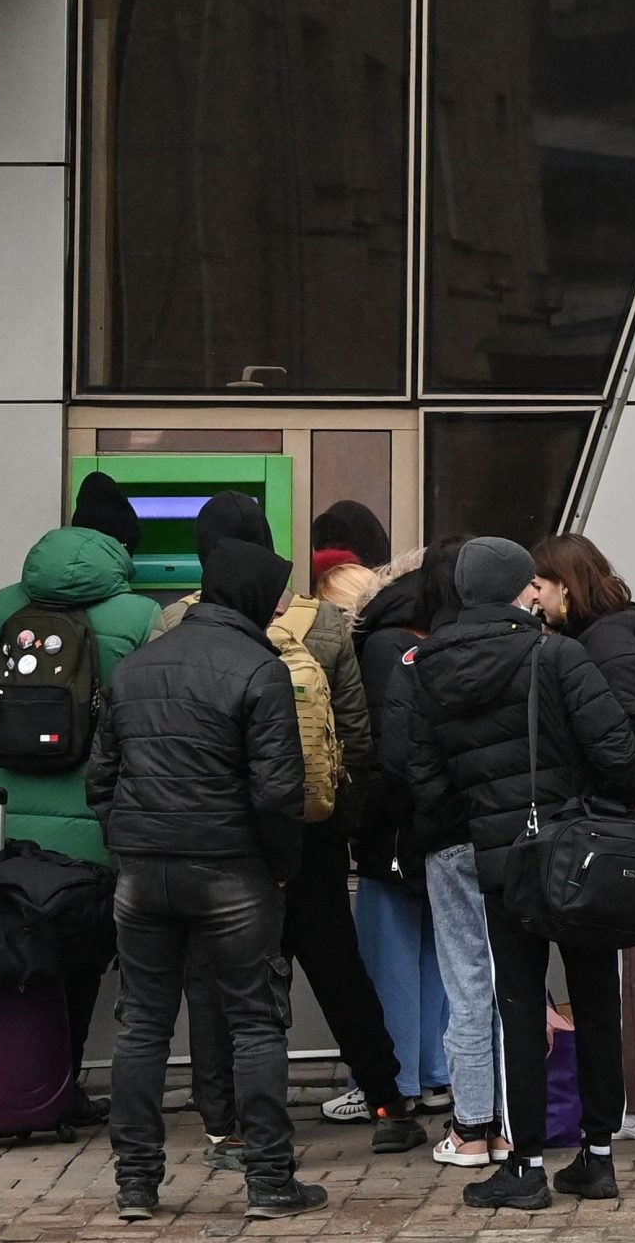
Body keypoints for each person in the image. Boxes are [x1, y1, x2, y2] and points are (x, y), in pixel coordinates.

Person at [167, 497, 423, 1161]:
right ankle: (388, 1102)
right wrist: (336, 820)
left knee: (226, 979)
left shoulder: (170, 624)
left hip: (216, 838)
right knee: (339, 970)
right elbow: (357, 736)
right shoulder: (321, 624)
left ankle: (230, 1121)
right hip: (307, 832)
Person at [86, 537, 322, 1221]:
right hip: (231, 869)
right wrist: (280, 867)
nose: (282, 602)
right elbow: (279, 792)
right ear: (252, 594)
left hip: (143, 872)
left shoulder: (136, 667)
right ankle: (271, 1181)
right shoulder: (259, 669)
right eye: (276, 590)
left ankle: (136, 1185)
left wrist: (126, 842)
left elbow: (101, 779)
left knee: (141, 1025)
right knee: (254, 1022)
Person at [410, 537, 635, 1211]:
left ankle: (526, 1164)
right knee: (596, 999)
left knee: (516, 1007)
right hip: (576, 854)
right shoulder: (557, 653)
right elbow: (616, 752)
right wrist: (594, 808)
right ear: (521, 588)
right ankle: (598, 1158)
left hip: (500, 860)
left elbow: (426, 780)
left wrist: (483, 817)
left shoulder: (432, 666)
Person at [0, 509, 162, 1121]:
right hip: (92, 821)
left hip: (6, 819)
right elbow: (149, 716)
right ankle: (57, 1089)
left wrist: (2, 753)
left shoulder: (6, 603)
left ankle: (2, 1085)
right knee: (81, 949)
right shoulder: (139, 614)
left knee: (10, 947)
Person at [534, 533, 635, 1140]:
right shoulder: (619, 626)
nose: (534, 598)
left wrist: (613, 795)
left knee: (631, 964)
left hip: (627, 809)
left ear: (566, 586)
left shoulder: (607, 637)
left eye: (541, 586)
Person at [388, 540, 507, 1168]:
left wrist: (432, 815)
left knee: (465, 982)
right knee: (512, 980)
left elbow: (404, 759)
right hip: (517, 836)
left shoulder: (417, 660)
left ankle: (471, 1127)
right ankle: (514, 1125)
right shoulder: (531, 650)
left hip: (450, 840)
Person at [348, 552, 453, 1129]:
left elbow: (386, 750)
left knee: (390, 953)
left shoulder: (383, 645)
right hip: (436, 822)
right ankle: (434, 1074)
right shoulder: (432, 643)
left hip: (392, 825)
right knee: (436, 951)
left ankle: (398, 1081)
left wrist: (364, 822)